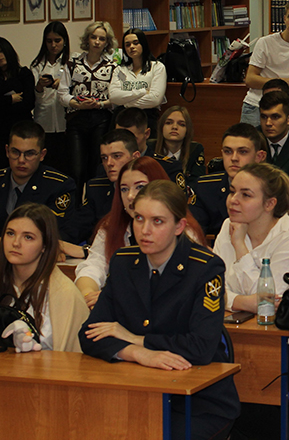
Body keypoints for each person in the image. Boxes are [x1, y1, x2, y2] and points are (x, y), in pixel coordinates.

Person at [80, 180, 239, 440]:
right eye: (139, 218)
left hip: (197, 404)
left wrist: (137, 339)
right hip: (137, 394)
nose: (145, 230)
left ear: (179, 226)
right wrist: (138, 353)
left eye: (157, 221)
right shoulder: (123, 263)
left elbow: (201, 347)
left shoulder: (205, 268)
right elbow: (90, 334)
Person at [213, 163, 289, 439]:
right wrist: (243, 302)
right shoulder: (228, 226)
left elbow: (269, 303)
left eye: (245, 194)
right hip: (240, 335)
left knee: (259, 380)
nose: (233, 200)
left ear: (270, 204)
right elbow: (212, 289)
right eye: (232, 191)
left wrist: (240, 246)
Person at [75, 156, 205, 308]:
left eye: (139, 187)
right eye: (124, 189)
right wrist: (88, 295)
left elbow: (179, 287)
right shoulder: (111, 226)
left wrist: (115, 297)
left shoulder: (183, 230)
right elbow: (94, 266)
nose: (130, 196)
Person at [0, 203, 89, 353]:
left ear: (45, 246)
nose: (15, 243)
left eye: (28, 237)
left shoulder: (65, 294)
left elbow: (72, 358)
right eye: (10, 233)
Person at [58, 21, 117, 192]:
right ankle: (75, 204)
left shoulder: (113, 67)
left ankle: (92, 202)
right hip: (77, 119)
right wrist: (76, 104)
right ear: (87, 39)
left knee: (96, 167)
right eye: (93, 37)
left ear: (107, 43)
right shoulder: (73, 63)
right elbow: (62, 93)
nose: (97, 42)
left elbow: (117, 98)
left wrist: (99, 104)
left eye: (102, 39)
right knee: (76, 169)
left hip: (101, 120)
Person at [241, 0, 289, 125]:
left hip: (284, 107)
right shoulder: (265, 42)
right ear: (284, 19)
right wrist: (284, 83)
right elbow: (250, 79)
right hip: (256, 105)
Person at [0, 120, 76, 239]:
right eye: (15, 152)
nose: (21, 160)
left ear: (42, 155)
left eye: (29, 154)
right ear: (7, 151)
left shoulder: (59, 186)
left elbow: (55, 234)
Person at [68, 129, 141, 248]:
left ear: (135, 157)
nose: (109, 163)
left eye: (117, 156)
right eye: (104, 158)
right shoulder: (97, 189)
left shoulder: (152, 190)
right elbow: (75, 229)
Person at [191, 124, 267, 235]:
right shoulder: (205, 188)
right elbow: (193, 234)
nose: (234, 158)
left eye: (243, 152)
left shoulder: (274, 189)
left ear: (259, 157)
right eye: (228, 151)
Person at [30, 22, 71, 173]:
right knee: (45, 166)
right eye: (49, 41)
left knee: (65, 165)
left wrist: (63, 83)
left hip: (65, 121)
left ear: (64, 41)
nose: (53, 45)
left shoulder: (71, 63)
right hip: (44, 121)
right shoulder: (37, 65)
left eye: (57, 40)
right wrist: (39, 86)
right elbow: (35, 99)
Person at [108, 27, 166, 129]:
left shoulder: (157, 67)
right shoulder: (120, 70)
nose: (132, 47)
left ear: (143, 44)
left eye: (136, 43)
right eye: (127, 45)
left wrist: (124, 102)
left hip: (147, 117)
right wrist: (142, 92)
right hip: (121, 118)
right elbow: (113, 97)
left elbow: (155, 99)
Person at [113, 107, 185, 186]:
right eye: (119, 139)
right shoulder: (109, 166)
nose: (124, 144)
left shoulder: (167, 168)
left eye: (131, 139)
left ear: (146, 134)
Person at [152, 105, 205, 185]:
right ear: (161, 127)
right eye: (169, 123)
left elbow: (197, 184)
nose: (174, 127)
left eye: (181, 124)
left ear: (187, 130)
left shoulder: (195, 150)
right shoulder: (150, 148)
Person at [0, 37, 36, 149]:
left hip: (22, 127)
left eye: (1, 51)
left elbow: (29, 103)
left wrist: (3, 104)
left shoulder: (24, 74)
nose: (0, 56)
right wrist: (10, 99)